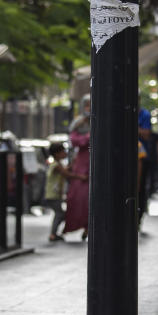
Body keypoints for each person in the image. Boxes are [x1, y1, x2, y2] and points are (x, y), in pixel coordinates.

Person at [44, 142, 85, 241]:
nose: (65, 153)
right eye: (63, 151)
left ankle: (54, 233)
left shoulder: (57, 164)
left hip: (54, 194)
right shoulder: (56, 165)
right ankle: (53, 234)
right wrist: (81, 177)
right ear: (57, 153)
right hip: (52, 195)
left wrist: (74, 164)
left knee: (60, 213)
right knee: (60, 214)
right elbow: (67, 174)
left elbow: (66, 170)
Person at [63, 95, 91, 239]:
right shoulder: (79, 123)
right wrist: (87, 137)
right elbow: (74, 140)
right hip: (81, 164)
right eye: (87, 105)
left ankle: (90, 226)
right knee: (79, 197)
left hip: (94, 161)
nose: (89, 108)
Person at [137, 108, 158, 227]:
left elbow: (146, 134)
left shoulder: (145, 114)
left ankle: (138, 217)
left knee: (140, 187)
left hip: (141, 156)